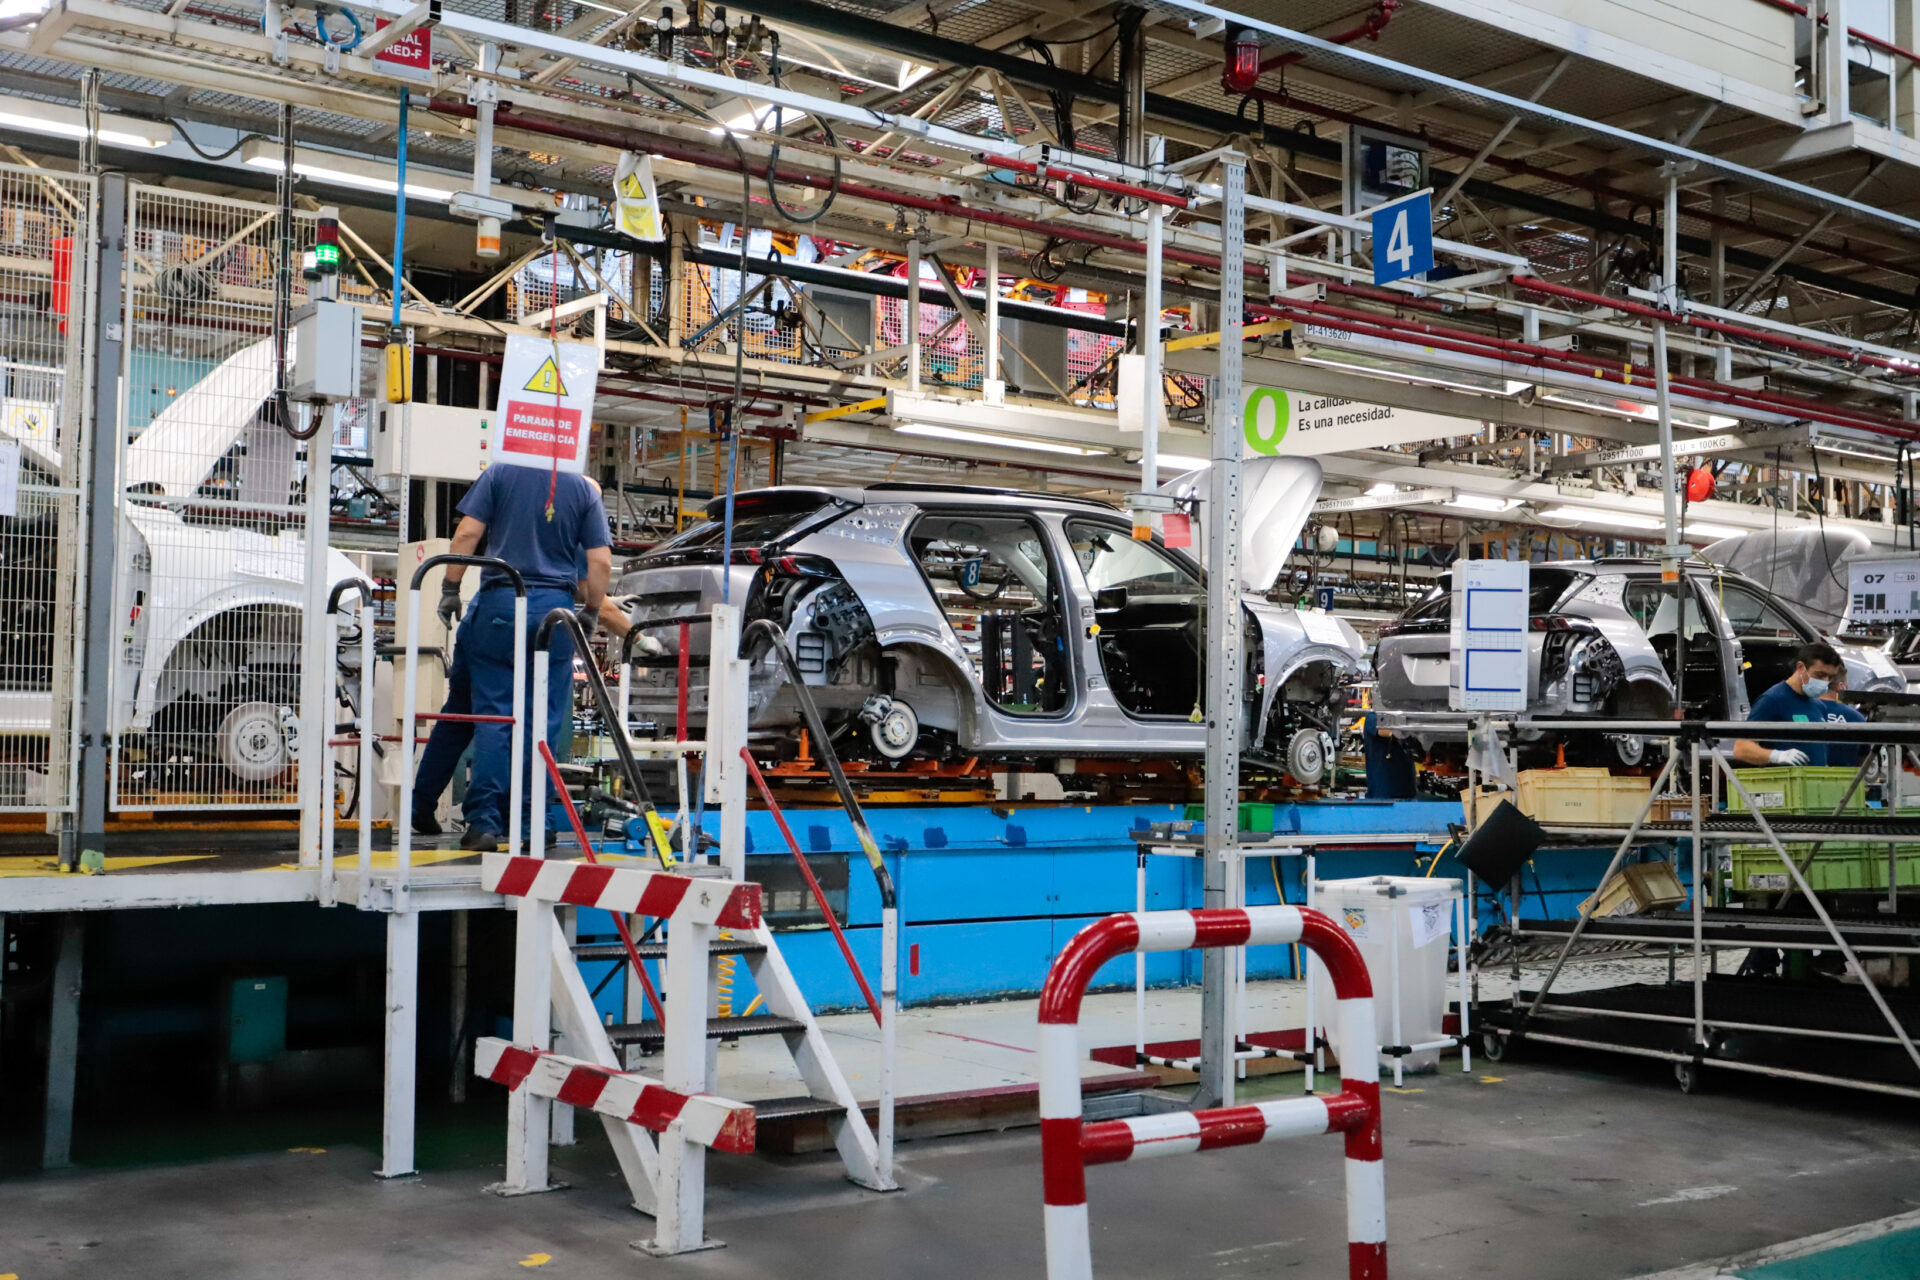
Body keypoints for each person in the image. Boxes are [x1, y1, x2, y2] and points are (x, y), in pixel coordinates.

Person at [435, 462, 613, 850]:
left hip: (501, 605)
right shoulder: (583, 489)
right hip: (555, 611)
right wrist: (593, 611)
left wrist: (450, 587)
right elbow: (600, 562)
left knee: (495, 719)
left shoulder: (499, 473)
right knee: (541, 722)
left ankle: (484, 824)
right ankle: (534, 824)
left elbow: (467, 533)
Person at [412, 594, 632, 836]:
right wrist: (642, 640)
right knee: (520, 722)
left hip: (480, 624)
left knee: (458, 716)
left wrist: (450, 590)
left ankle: (422, 803)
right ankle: (513, 819)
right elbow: (592, 589)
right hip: (527, 627)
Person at [1731, 640, 1845, 767]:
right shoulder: (1773, 700)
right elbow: (1741, 748)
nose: (1825, 681)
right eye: (1820, 675)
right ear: (1800, 667)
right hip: (1785, 778)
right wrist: (1776, 756)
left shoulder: (1818, 705)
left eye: (1830, 677)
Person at [1817, 668, 1870, 769]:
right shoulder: (1857, 718)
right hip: (1846, 777)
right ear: (1841, 687)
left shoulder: (1805, 710)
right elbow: (1864, 759)